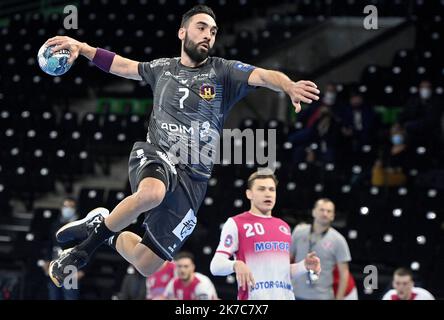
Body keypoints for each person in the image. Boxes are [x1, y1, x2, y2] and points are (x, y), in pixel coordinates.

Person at [46, 4, 320, 288]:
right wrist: (83, 47)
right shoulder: (161, 68)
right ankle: (83, 251)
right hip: (158, 153)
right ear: (182, 32)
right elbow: (123, 65)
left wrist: (287, 85)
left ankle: (102, 225)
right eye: (201, 28)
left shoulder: (222, 71)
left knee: (146, 263)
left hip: (194, 177)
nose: (208, 36)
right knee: (152, 193)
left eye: (213, 32)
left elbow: (264, 75)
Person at [210, 170, 321, 300]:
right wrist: (235, 265)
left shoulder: (284, 226)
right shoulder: (236, 223)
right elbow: (215, 266)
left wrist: (304, 266)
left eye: (271, 189)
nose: (268, 193)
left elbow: (282, 273)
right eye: (261, 189)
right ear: (249, 194)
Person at [290, 199, 352, 300]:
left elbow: (344, 274)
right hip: (295, 294)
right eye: (322, 210)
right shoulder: (299, 231)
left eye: (329, 211)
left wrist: (339, 298)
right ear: (313, 212)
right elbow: (287, 259)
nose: (325, 213)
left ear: (333, 216)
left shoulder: (338, 240)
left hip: (322, 296)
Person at [41, 197, 85, 299]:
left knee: (70, 296)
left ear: (76, 208)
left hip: (71, 267)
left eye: (71, 206)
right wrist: (47, 260)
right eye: (66, 206)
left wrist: (83, 270)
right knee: (54, 295)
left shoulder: (80, 225)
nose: (68, 209)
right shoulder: (55, 224)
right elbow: (50, 244)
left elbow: (87, 247)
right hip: (55, 264)